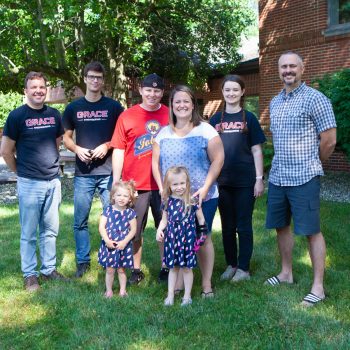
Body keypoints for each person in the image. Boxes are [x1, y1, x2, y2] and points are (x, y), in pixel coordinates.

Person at [264, 51, 337, 307]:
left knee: (311, 231)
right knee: (281, 226)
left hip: (304, 176)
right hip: (278, 176)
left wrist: (313, 162)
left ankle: (318, 287)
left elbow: (329, 140)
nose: (288, 70)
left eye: (292, 66)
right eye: (283, 66)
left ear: (302, 69)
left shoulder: (316, 99)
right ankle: (286, 273)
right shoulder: (275, 102)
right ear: (279, 70)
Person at [152, 84, 224, 297]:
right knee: (175, 237)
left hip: (203, 197)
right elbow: (155, 163)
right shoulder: (162, 134)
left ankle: (206, 284)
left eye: (186, 101)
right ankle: (180, 283)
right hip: (172, 199)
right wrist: (161, 190)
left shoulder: (206, 130)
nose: (182, 105)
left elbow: (218, 159)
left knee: (202, 239)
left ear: (193, 104)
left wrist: (205, 188)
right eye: (177, 102)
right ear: (171, 106)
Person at [0, 71, 65, 291]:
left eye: (42, 87)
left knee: (50, 229)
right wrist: (21, 171)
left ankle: (48, 269)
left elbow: (56, 142)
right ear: (25, 90)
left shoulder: (55, 115)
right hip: (29, 183)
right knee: (28, 232)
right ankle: (30, 274)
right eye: (34, 87)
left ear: (45, 90)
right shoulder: (16, 116)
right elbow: (6, 151)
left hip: (52, 181)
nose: (38, 91)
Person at [63, 61, 124, 278]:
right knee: (80, 220)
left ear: (103, 80)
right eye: (91, 77)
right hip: (84, 174)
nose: (95, 80)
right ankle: (83, 262)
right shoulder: (73, 108)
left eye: (99, 77)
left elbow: (122, 137)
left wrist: (107, 145)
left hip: (108, 172)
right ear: (85, 79)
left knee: (114, 217)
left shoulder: (114, 107)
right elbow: (66, 138)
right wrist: (77, 149)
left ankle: (112, 255)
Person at [111, 73, 169, 285]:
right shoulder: (127, 116)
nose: (152, 94)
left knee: (166, 227)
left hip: (164, 184)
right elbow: (118, 149)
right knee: (135, 231)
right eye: (148, 90)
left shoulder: (170, 115)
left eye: (157, 90)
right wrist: (117, 182)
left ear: (162, 93)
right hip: (136, 185)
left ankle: (166, 266)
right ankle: (136, 269)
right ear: (141, 90)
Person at [209, 75, 266, 282]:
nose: (231, 93)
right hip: (222, 181)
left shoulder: (249, 118)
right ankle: (231, 265)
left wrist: (259, 178)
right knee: (227, 226)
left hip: (245, 181)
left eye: (235, 90)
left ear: (242, 92)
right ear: (222, 93)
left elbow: (257, 150)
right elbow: (208, 151)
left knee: (243, 225)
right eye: (227, 90)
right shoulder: (215, 120)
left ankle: (244, 268)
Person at [156, 166, 207, 306]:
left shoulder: (192, 201)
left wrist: (202, 234)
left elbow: (201, 219)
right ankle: (170, 296)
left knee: (186, 268)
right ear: (169, 185)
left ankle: (187, 297)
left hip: (188, 240)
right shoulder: (167, 202)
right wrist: (159, 230)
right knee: (173, 268)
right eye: (175, 184)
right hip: (172, 239)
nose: (179, 187)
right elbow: (164, 220)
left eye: (182, 183)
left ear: (187, 183)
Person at [98, 180, 137, 298]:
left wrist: (124, 242)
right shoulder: (108, 210)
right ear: (113, 196)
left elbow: (133, 230)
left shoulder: (130, 213)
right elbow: (101, 227)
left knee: (121, 269)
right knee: (110, 270)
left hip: (123, 245)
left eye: (125, 196)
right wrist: (107, 240)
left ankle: (122, 291)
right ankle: (109, 290)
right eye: (119, 195)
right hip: (110, 244)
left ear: (130, 199)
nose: (122, 198)